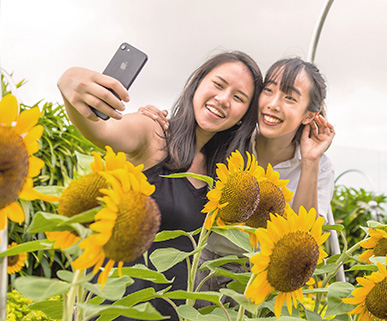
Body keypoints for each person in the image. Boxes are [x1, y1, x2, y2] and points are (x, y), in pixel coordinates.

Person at [58, 51, 263, 320]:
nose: (223, 99)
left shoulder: (223, 177)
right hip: (111, 309)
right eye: (218, 84)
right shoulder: (153, 133)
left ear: (242, 116)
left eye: (238, 98)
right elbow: (100, 130)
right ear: (196, 84)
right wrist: (69, 79)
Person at [140, 57, 338, 292]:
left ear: (309, 115)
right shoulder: (232, 139)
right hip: (198, 266)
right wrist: (154, 120)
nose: (273, 104)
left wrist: (310, 162)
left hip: (257, 281)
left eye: (289, 98)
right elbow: (186, 135)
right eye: (269, 90)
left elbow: (305, 238)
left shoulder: (320, 166)